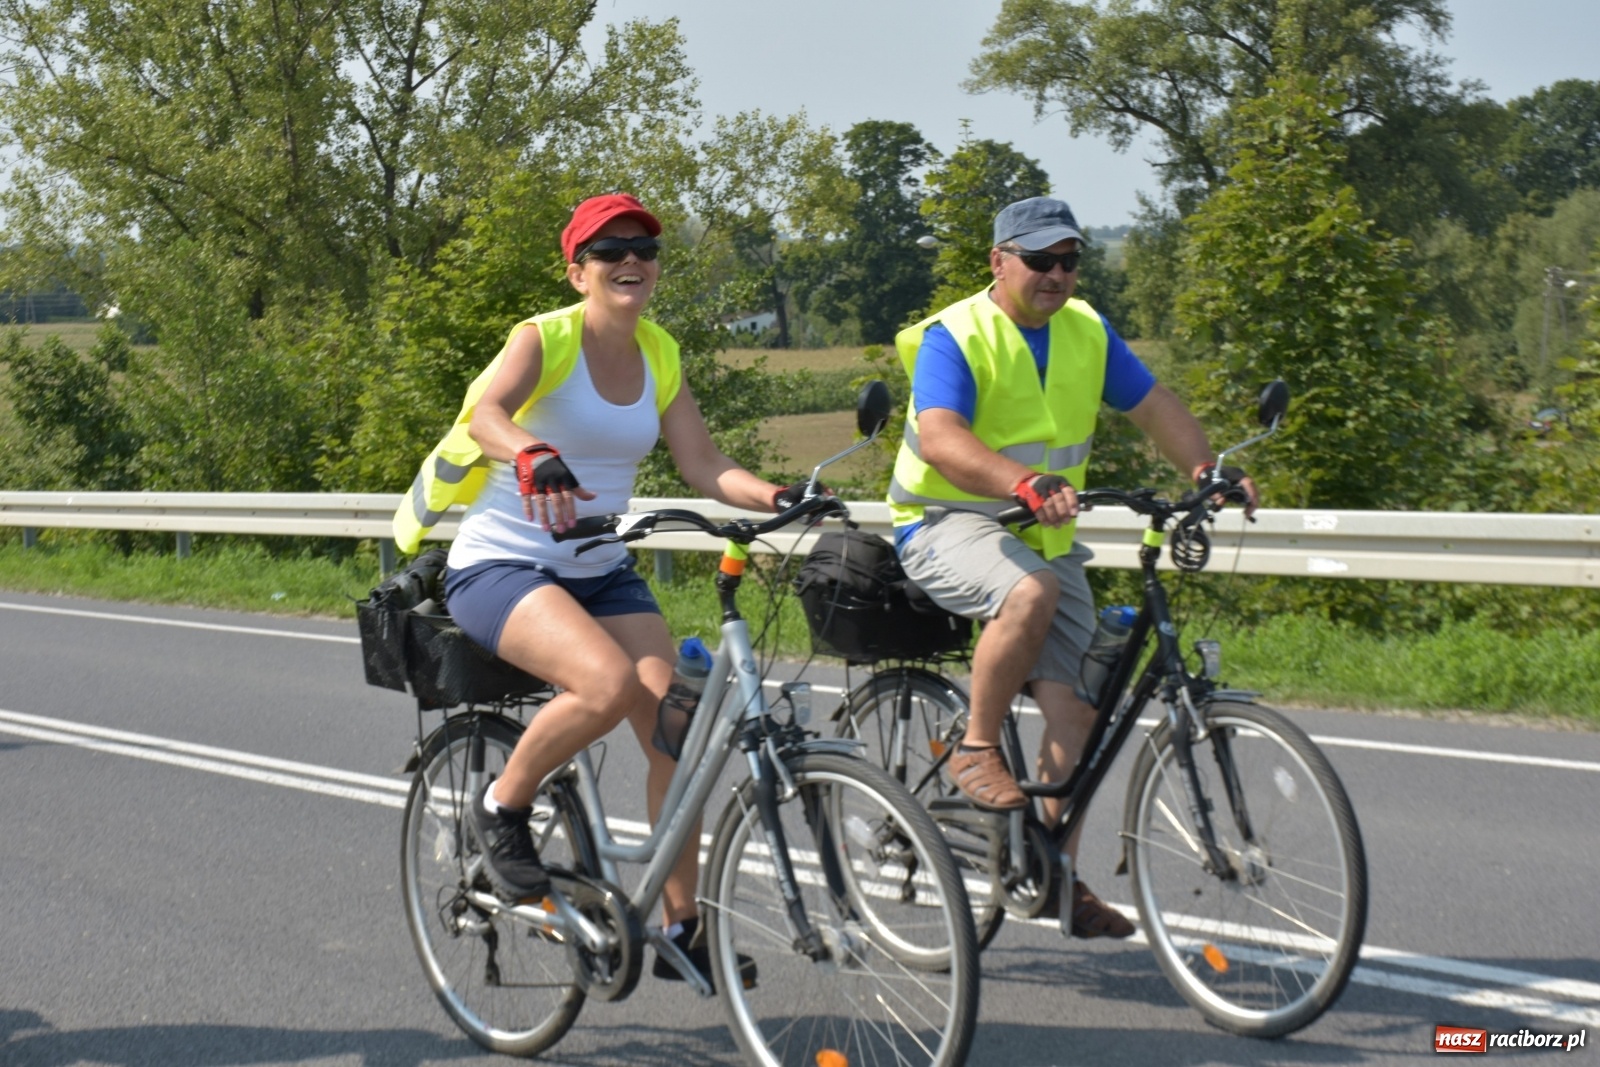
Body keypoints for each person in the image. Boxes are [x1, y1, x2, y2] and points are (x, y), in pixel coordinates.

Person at [392, 192, 810, 988]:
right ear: (578, 269)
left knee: (676, 735)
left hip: (599, 567)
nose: (631, 260)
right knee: (608, 685)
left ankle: (681, 923)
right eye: (610, 248)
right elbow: (486, 414)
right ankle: (502, 809)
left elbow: (704, 465)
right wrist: (529, 449)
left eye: (646, 250)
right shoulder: (544, 337)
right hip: (503, 564)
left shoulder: (660, 352)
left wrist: (776, 496)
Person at [887, 196, 1259, 939]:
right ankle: (977, 748)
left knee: (1080, 711)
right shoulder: (955, 334)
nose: (1057, 275)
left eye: (1068, 260)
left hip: (1042, 533)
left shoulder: (1086, 329)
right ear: (999, 261)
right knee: (1031, 591)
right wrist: (1017, 482)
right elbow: (940, 439)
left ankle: (1047, 870)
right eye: (1040, 260)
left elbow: (1153, 404)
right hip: (944, 522)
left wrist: (1206, 467)